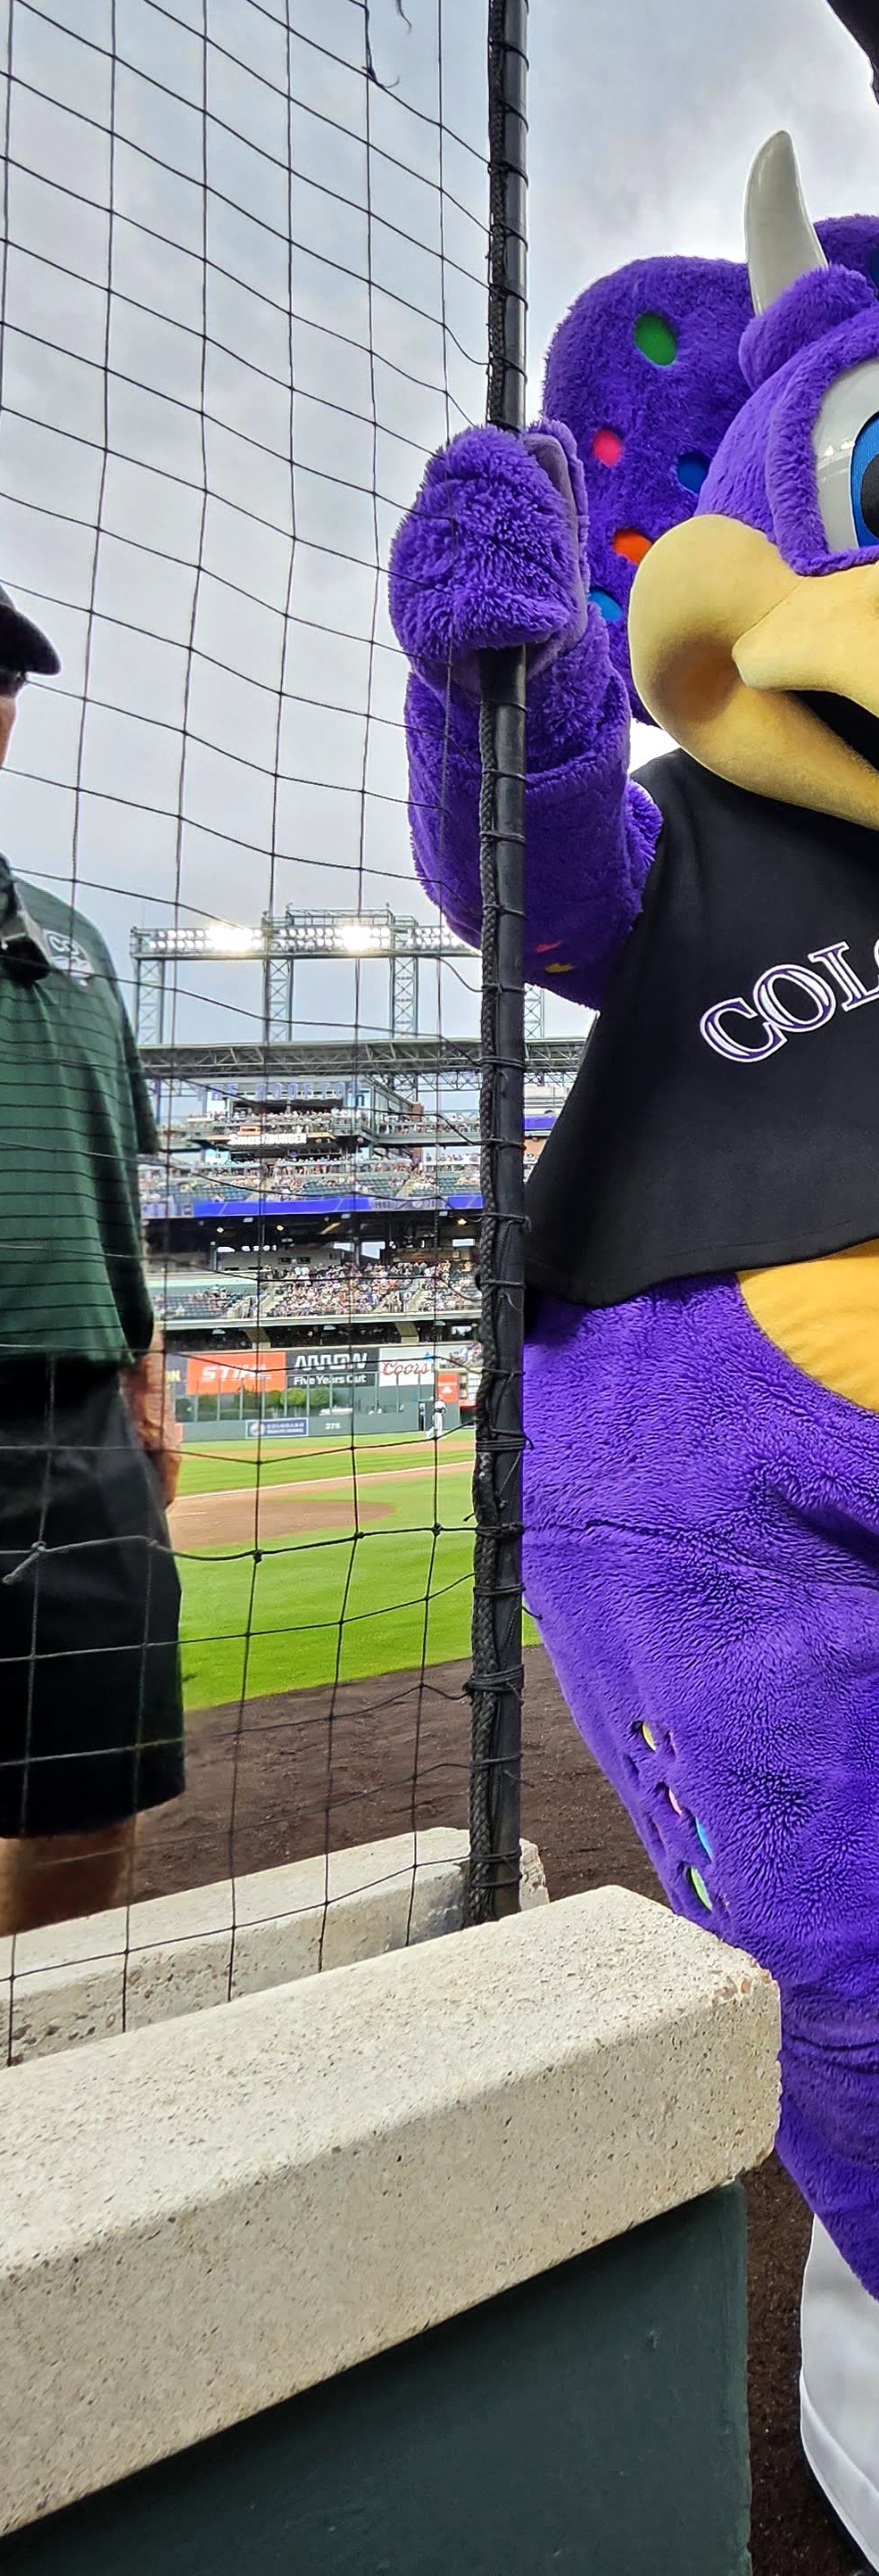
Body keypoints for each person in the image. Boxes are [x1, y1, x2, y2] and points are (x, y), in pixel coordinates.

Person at [0, 588, 184, 1936]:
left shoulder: (76, 947)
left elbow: (116, 1180)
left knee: (89, 1793)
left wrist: (148, 1387)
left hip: (75, 1426)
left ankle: (34, 2068)